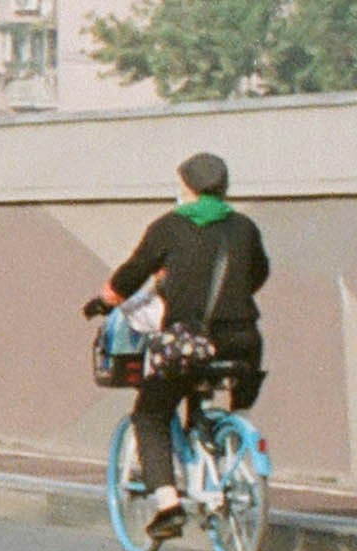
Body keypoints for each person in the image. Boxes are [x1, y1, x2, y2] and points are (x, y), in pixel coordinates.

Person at [85, 149, 271, 527]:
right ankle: (223, 442)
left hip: (189, 344)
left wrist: (104, 302)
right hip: (243, 342)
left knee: (150, 413)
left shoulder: (168, 227)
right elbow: (259, 274)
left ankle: (168, 504)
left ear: (186, 186)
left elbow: (132, 274)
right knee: (219, 391)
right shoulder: (245, 228)